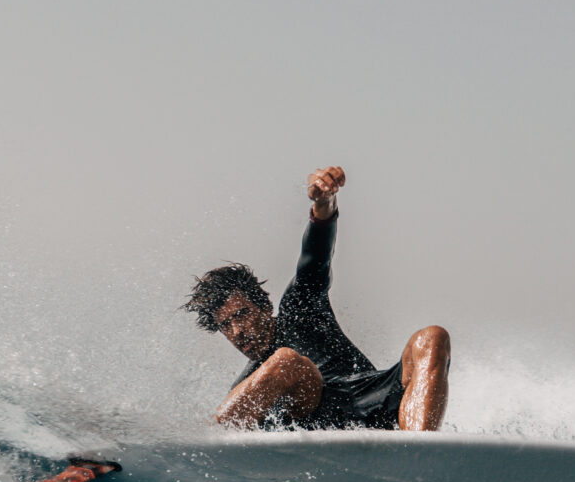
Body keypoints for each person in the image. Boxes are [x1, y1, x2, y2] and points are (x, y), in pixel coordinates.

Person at [183, 166, 450, 432]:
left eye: (241, 314)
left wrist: (324, 203)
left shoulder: (301, 307)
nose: (237, 331)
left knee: (431, 337)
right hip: (320, 423)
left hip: (380, 398)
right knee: (285, 362)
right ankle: (209, 440)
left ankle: (419, 450)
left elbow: (316, 255)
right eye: (226, 325)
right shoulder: (254, 385)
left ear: (265, 307)